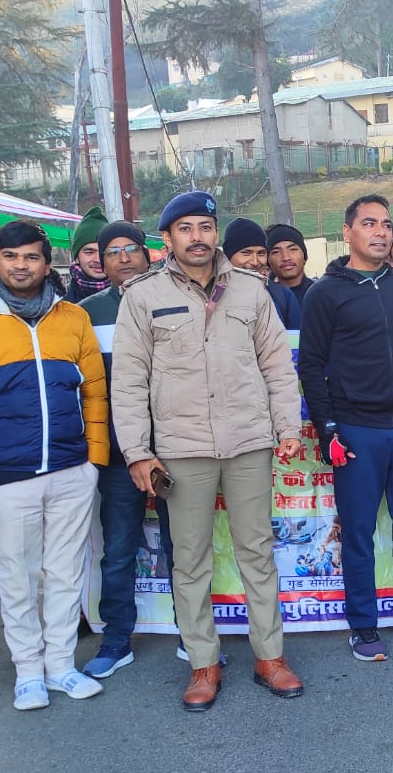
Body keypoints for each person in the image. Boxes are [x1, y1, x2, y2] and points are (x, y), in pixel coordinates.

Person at [111, 191, 306, 711]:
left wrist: (288, 426)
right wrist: (137, 452)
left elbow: (276, 364)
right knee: (190, 560)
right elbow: (127, 382)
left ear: (215, 232)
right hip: (182, 448)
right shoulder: (143, 296)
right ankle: (203, 663)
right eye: (185, 229)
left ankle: (270, 657)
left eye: (204, 226)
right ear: (167, 238)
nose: (197, 237)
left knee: (256, 552)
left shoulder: (250, 289)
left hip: (248, 442)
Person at [0, 219, 110, 711]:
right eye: (11, 257)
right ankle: (29, 672)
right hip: (5, 476)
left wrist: (94, 461)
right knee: (17, 577)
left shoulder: (71, 317)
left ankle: (61, 666)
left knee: (66, 573)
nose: (21, 266)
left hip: (71, 469)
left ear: (47, 263)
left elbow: (94, 394)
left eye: (31, 257)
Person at [298, 194, 393, 661]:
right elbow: (311, 365)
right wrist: (327, 429)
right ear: (348, 232)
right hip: (356, 431)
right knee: (358, 534)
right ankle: (363, 626)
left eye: (386, 224)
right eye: (369, 223)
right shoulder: (325, 293)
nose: (382, 232)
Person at [78, 220, 156, 678]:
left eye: (132, 249)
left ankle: (194, 636)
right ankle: (116, 638)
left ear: (148, 255)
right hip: (116, 451)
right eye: (112, 251)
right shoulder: (85, 315)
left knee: (186, 546)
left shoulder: (173, 299)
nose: (124, 258)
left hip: (175, 445)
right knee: (120, 545)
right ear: (101, 262)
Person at [228, 219, 301, 329]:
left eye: (261, 253)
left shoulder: (283, 296)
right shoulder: (213, 295)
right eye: (246, 253)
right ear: (228, 256)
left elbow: (295, 337)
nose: (255, 262)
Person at [63, 206, 110, 303]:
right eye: (89, 252)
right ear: (76, 257)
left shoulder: (130, 295)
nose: (98, 260)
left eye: (104, 252)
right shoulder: (60, 301)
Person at [266, 222, 314, 301]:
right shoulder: (263, 298)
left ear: (304, 256)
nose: (286, 257)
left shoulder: (323, 293)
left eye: (293, 249)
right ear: (268, 261)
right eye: (276, 252)